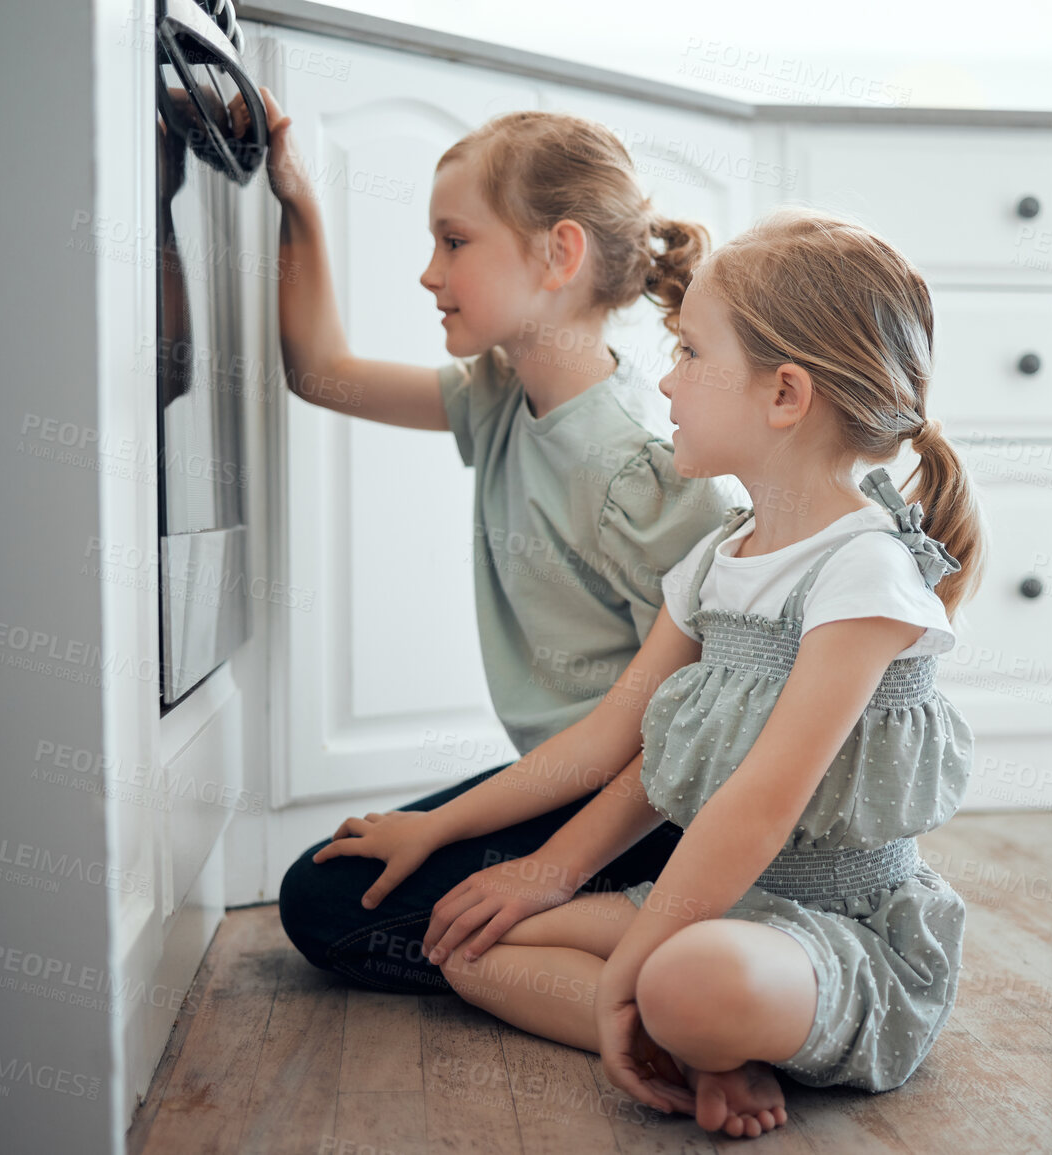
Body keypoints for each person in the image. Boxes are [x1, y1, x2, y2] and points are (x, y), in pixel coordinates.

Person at [324, 206, 983, 1136]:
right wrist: (538, 872)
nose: (665, 381)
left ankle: (667, 1014)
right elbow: (612, 739)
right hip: (725, 904)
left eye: (689, 353)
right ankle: (674, 1038)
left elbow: (758, 804)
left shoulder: (863, 572)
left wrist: (632, 961)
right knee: (468, 942)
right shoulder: (719, 556)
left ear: (783, 395)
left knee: (682, 974)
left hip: (840, 931)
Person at [249, 87, 735, 993]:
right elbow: (319, 372)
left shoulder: (641, 468)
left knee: (320, 908)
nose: (429, 275)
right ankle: (615, 950)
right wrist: (297, 200)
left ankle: (657, 956)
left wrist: (458, 832)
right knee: (331, 881)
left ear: (559, 253)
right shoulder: (499, 398)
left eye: (454, 241)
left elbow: (686, 737)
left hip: (656, 810)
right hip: (568, 778)